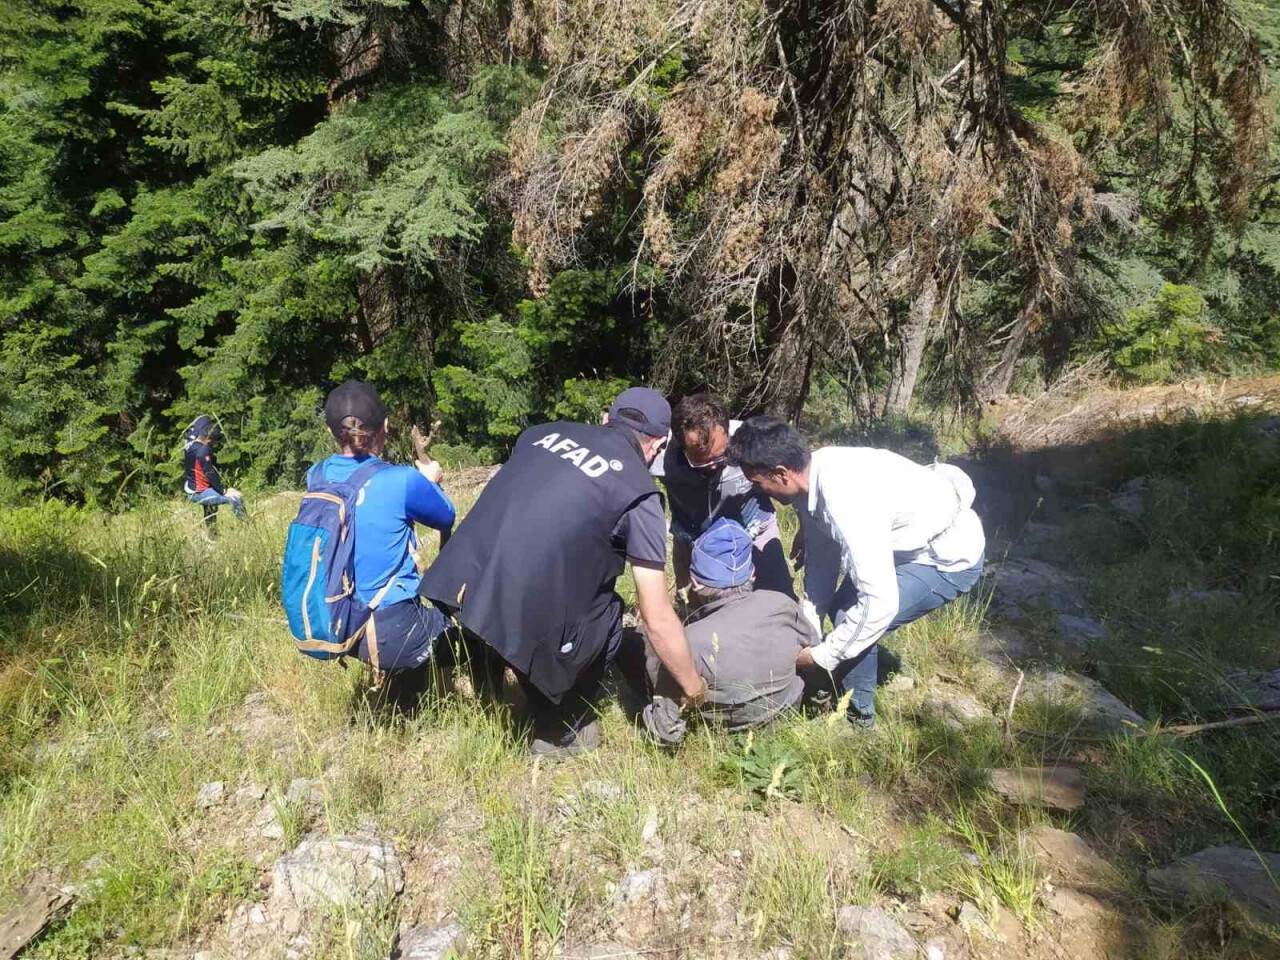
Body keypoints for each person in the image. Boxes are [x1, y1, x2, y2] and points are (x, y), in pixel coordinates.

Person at [419, 386, 707, 758]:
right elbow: (656, 617)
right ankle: (559, 724)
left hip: (462, 583)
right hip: (523, 605)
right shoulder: (640, 494)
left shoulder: (541, 434)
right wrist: (693, 687)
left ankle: (488, 660)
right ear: (659, 444)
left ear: (606, 419)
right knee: (609, 614)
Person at [727, 416, 985, 729]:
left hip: (944, 557)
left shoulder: (846, 500)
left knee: (851, 615)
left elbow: (879, 605)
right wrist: (807, 625)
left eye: (758, 483)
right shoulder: (810, 481)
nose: (760, 492)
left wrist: (820, 657)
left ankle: (858, 722)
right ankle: (831, 686)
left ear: (781, 474)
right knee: (843, 614)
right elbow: (822, 562)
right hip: (901, 544)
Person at [308, 381, 456, 700]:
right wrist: (431, 481)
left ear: (330, 431)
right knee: (468, 634)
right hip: (390, 630)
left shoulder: (317, 474)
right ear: (385, 427)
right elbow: (447, 517)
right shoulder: (401, 480)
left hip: (338, 623)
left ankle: (401, 690)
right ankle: (429, 691)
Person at [641, 518, 817, 745]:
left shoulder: (689, 641)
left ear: (694, 582)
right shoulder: (783, 604)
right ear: (752, 572)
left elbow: (664, 732)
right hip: (787, 718)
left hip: (727, 737)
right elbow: (818, 661)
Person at [653, 394, 794, 597]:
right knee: (695, 608)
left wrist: (806, 522)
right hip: (692, 534)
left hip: (754, 525)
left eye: (721, 458)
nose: (713, 467)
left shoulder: (752, 440)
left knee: (779, 596)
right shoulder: (661, 455)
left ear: (728, 432)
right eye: (701, 462)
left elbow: (795, 471)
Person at [183, 415, 246, 534]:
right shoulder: (203, 451)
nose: (214, 446)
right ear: (209, 440)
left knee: (211, 509)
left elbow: (201, 421)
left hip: (191, 488)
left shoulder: (190, 444)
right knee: (236, 498)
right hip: (200, 492)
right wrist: (224, 491)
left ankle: (212, 536)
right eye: (214, 443)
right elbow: (210, 473)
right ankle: (248, 529)